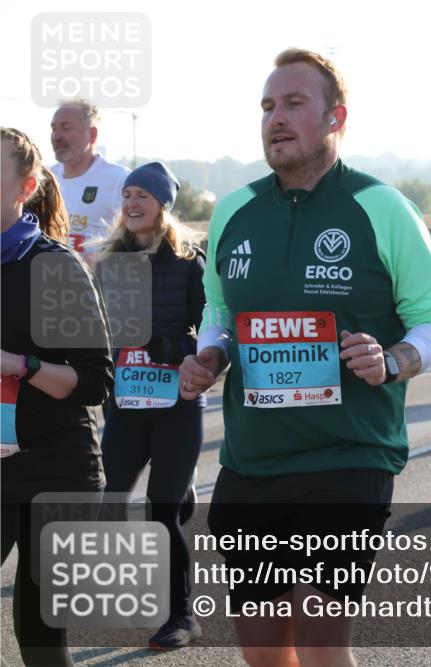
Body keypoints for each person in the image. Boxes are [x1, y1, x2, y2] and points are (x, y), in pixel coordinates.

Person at [178, 49, 431, 667]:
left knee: (320, 635)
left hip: (348, 455)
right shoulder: (233, 211)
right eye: (268, 106)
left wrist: (393, 359)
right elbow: (219, 313)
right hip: (252, 459)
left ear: (336, 117)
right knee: (261, 648)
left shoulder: (381, 206)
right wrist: (209, 357)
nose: (275, 118)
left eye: (294, 104)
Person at [2, 127, 114, 667]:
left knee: (41, 639)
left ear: (24, 187)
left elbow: (94, 381)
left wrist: (16, 366)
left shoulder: (54, 267)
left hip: (57, 471)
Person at [96, 162, 207, 648]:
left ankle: (180, 616)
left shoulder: (188, 261)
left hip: (174, 407)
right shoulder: (108, 261)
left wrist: (176, 349)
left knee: (158, 513)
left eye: (143, 194)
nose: (132, 203)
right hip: (125, 405)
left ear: (163, 204)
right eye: (127, 195)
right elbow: (94, 331)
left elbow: (213, 334)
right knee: (111, 499)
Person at [49, 99, 130, 256]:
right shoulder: (45, 179)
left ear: (92, 134)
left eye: (66, 128)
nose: (57, 136)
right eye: (54, 129)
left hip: (97, 279)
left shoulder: (120, 179)